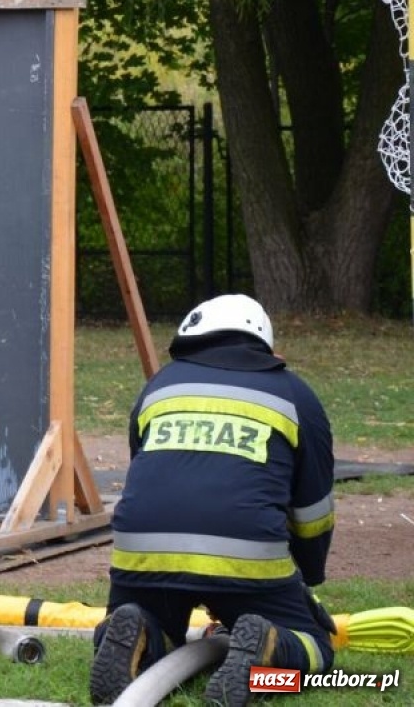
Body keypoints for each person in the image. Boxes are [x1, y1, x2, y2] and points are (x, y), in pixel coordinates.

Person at [89, 294, 336, 707]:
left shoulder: (159, 386)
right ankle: (270, 655)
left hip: (143, 556)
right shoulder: (294, 395)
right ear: (264, 345)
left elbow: (148, 477)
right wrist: (306, 580)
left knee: (142, 618)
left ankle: (139, 630)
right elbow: (312, 515)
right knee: (317, 650)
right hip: (246, 560)